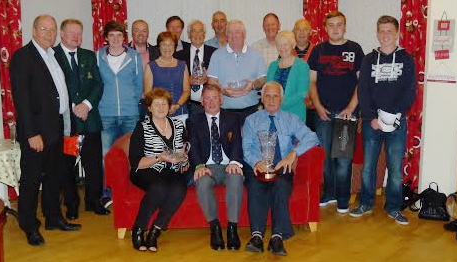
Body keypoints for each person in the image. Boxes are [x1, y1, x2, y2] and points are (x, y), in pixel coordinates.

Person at [10, 14, 81, 247]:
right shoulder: (23, 57)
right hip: (37, 132)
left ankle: (53, 218)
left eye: (52, 30)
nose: (49, 34)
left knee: (54, 177)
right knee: (31, 180)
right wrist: (31, 133)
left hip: (57, 127)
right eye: (44, 29)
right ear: (33, 31)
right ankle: (29, 225)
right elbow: (22, 100)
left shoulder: (52, 55)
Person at [350, 15, 416, 225]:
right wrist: (371, 117)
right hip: (373, 123)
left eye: (389, 31)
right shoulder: (369, 59)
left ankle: (394, 208)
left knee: (395, 168)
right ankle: (366, 202)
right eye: (382, 31)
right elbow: (364, 90)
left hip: (396, 122)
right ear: (377, 34)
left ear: (397, 33)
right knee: (368, 167)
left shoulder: (406, 59)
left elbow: (410, 90)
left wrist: (395, 115)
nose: (385, 35)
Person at [242, 81, 319, 256]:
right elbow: (245, 148)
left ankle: (277, 237)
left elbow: (312, 137)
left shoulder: (291, 119)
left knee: (281, 186)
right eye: (267, 95)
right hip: (258, 166)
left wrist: (294, 153)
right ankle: (257, 237)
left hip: (281, 167)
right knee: (255, 186)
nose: (271, 99)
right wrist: (255, 162)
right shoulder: (251, 120)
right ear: (261, 98)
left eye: (275, 96)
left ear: (281, 99)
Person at [308, 11, 364, 214]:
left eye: (339, 24)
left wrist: (350, 108)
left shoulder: (355, 49)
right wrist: (318, 106)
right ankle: (329, 193)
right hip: (323, 113)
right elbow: (312, 82)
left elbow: (361, 83)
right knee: (325, 157)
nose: (335, 28)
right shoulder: (318, 51)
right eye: (331, 25)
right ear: (325, 28)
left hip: (346, 114)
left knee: (343, 159)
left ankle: (342, 198)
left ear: (345, 26)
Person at [53, 19, 109, 219]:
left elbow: (98, 84)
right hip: (67, 123)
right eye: (71, 33)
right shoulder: (52, 55)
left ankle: (94, 201)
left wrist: (87, 104)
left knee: (93, 163)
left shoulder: (88, 55)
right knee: (67, 165)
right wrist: (73, 107)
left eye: (79, 33)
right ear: (61, 34)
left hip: (89, 119)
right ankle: (72, 204)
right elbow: (52, 88)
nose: (76, 37)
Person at [129, 88, 189, 252]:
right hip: (146, 169)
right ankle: (139, 228)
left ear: (170, 107)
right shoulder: (142, 127)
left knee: (179, 188)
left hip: (171, 170)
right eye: (157, 104)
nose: (161, 107)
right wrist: (159, 158)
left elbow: (184, 151)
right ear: (149, 107)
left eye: (164, 104)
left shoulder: (178, 124)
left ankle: (155, 230)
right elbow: (136, 163)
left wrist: (183, 159)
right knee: (159, 187)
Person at [186, 84, 244, 251]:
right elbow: (193, 145)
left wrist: (234, 162)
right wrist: (199, 166)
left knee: (235, 178)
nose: (211, 102)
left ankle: (232, 229)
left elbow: (237, 142)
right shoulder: (193, 120)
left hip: (227, 164)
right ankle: (215, 228)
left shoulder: (232, 118)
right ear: (202, 102)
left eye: (214, 98)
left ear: (221, 100)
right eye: (207, 98)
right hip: (207, 165)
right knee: (202, 181)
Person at [97, 20, 143, 207]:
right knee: (106, 155)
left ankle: (131, 188)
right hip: (106, 114)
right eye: (112, 35)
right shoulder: (97, 56)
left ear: (124, 38)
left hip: (130, 113)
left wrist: (131, 102)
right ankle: (108, 192)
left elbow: (139, 84)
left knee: (131, 154)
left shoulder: (134, 57)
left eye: (119, 35)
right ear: (106, 38)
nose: (115, 39)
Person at [208, 20, 267, 121]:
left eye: (237, 32)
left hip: (251, 110)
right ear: (226, 36)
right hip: (225, 111)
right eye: (230, 32)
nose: (233, 35)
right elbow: (211, 81)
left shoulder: (256, 55)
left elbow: (263, 79)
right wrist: (222, 90)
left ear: (244, 34)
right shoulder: (217, 55)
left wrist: (252, 85)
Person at [144, 31, 190, 122]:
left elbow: (186, 90)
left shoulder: (183, 65)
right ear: (159, 46)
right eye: (164, 44)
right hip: (157, 114)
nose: (167, 48)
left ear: (175, 47)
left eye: (171, 44)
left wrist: (177, 105)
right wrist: (161, 108)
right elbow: (148, 93)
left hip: (179, 113)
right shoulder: (151, 66)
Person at [174, 20, 217, 115]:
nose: (197, 34)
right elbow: (173, 81)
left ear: (204, 34)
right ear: (189, 35)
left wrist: (209, 79)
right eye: (194, 31)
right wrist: (186, 81)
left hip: (209, 104)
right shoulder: (178, 56)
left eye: (200, 31)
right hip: (185, 104)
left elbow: (221, 77)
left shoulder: (215, 53)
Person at [266, 30, 310, 122]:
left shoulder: (302, 65)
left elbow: (302, 93)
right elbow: (268, 90)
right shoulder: (272, 66)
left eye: (285, 44)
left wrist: (279, 105)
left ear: (293, 45)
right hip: (273, 115)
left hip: (295, 115)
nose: (282, 48)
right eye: (279, 45)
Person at [129, 19, 160, 119]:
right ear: (132, 33)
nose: (140, 34)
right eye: (137, 30)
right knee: (132, 134)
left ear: (148, 33)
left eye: (144, 30)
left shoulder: (157, 52)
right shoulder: (123, 52)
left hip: (152, 102)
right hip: (130, 103)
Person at [292, 18, 316, 131]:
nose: (301, 33)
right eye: (298, 29)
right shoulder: (286, 52)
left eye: (305, 29)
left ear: (310, 32)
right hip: (293, 107)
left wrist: (312, 99)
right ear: (293, 32)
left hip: (314, 107)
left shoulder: (318, 51)